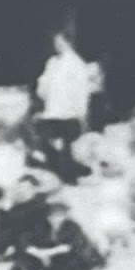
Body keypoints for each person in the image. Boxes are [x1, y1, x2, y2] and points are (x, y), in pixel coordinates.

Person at [34, 33, 97, 183]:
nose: (57, 45)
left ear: (68, 42)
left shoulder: (77, 64)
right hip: (52, 112)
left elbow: (81, 91)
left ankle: (69, 180)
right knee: (51, 147)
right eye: (55, 42)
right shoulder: (52, 62)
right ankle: (55, 178)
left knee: (68, 150)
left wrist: (81, 114)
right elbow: (43, 87)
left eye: (59, 41)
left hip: (69, 114)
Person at [11, 196, 103, 270]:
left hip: (66, 260)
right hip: (47, 261)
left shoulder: (72, 227)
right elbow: (24, 241)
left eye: (60, 215)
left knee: (70, 266)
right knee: (24, 259)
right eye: (52, 215)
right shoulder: (40, 227)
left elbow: (69, 247)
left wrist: (45, 253)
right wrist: (37, 252)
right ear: (47, 217)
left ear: (65, 216)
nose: (56, 219)